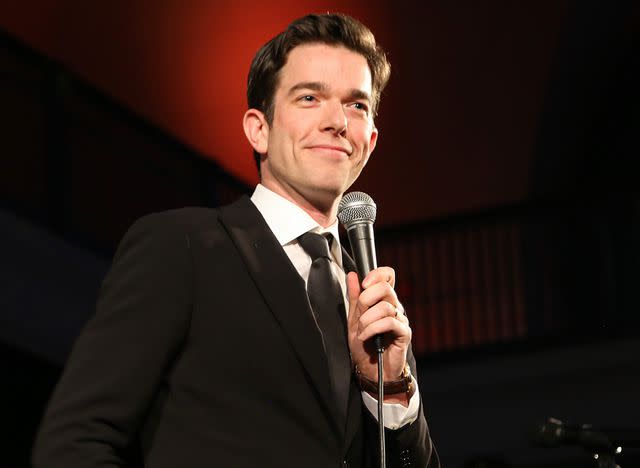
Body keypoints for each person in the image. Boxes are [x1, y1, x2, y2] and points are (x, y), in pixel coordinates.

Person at [32, 13, 439, 468]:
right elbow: (74, 442)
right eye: (310, 97)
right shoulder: (182, 246)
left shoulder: (371, 300)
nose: (337, 121)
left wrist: (390, 389)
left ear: (372, 140)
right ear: (257, 129)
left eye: (357, 105)